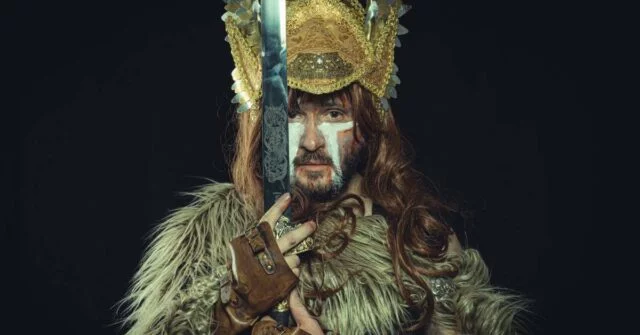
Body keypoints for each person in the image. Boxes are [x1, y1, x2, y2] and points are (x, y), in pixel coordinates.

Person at [119, 0, 528, 334]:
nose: (313, 140)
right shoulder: (205, 237)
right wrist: (232, 311)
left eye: (334, 113)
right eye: (293, 115)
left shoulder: (422, 246)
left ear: (368, 126)